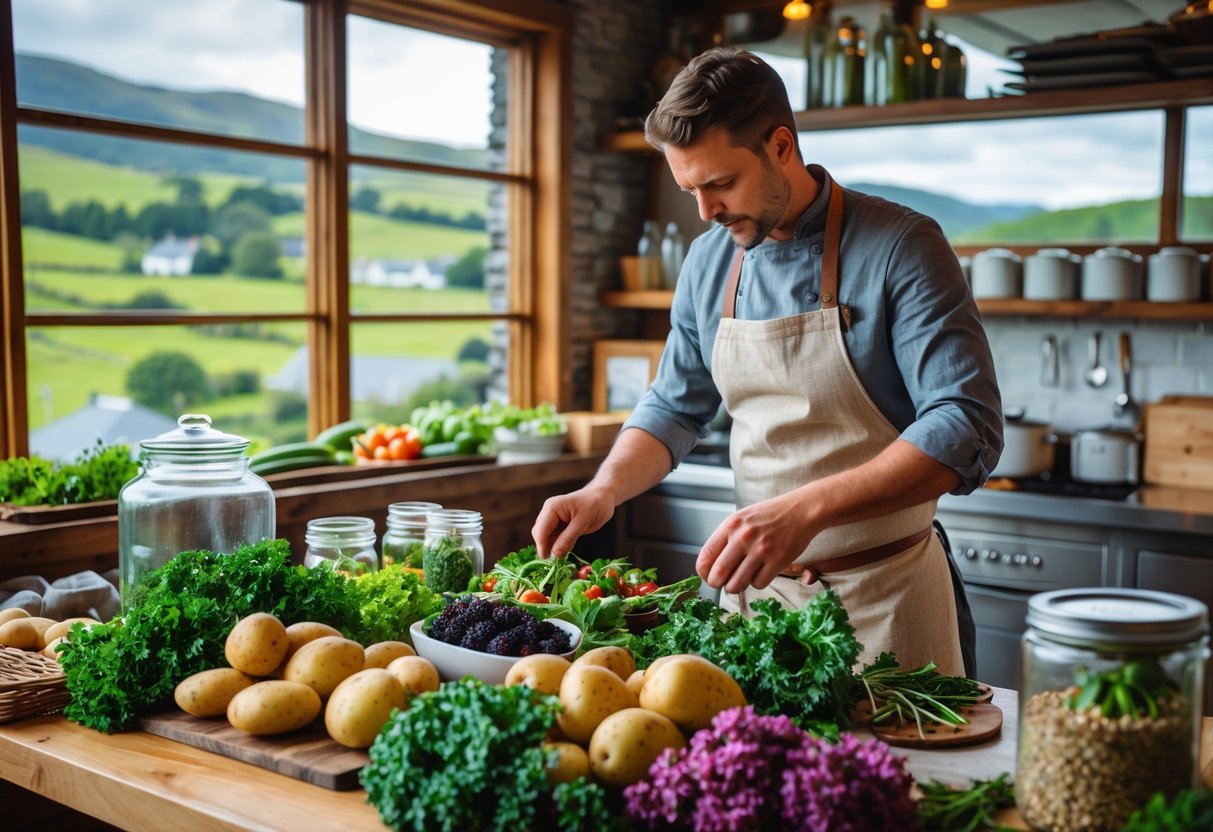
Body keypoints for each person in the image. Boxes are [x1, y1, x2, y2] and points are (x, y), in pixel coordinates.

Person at [533, 47, 1002, 678]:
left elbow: (964, 423)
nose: (706, 211)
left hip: (885, 603)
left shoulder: (902, 246)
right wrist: (603, 489)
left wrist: (803, 510)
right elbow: (674, 404)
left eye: (721, 183)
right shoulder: (708, 260)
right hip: (755, 613)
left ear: (781, 145)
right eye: (689, 189)